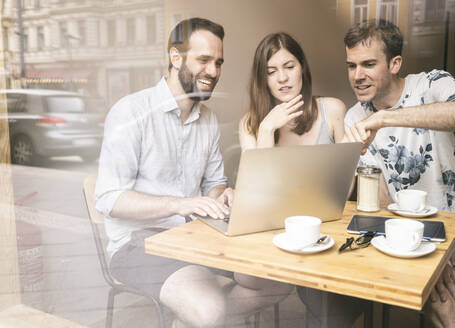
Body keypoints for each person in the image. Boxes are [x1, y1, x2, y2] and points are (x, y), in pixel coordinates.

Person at [95, 17, 292, 328]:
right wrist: (181, 203)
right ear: (176, 57)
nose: (213, 72)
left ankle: (186, 323)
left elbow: (214, 183)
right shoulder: (130, 112)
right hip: (137, 245)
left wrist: (222, 195)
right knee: (209, 309)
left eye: (218, 62)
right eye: (203, 60)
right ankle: (201, 316)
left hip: (193, 238)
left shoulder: (207, 120)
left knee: (282, 282)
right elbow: (109, 199)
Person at [342, 20, 455, 328]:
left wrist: (385, 118)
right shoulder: (355, 117)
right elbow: (382, 203)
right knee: (449, 312)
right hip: (416, 237)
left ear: (395, 63)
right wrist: (355, 162)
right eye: (352, 65)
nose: (358, 76)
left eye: (368, 64)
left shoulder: (432, 83)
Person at [239, 32, 368, 327]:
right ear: (263, 80)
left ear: (303, 68)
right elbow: (257, 195)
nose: (282, 78)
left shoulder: (332, 109)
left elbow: (345, 191)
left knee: (327, 302)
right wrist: (266, 129)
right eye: (271, 72)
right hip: (273, 236)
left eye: (289, 66)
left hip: (327, 232)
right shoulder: (251, 123)